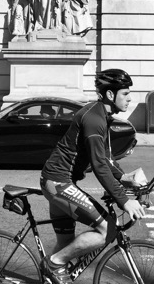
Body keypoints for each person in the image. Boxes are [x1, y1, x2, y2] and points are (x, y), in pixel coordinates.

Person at [39, 69, 146, 284]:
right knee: (107, 230)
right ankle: (53, 264)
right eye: (125, 93)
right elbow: (99, 167)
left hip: (59, 181)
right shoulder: (94, 119)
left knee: (66, 242)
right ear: (110, 95)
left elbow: (105, 160)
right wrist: (124, 202)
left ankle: (52, 271)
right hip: (58, 183)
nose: (129, 98)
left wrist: (127, 179)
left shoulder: (101, 116)